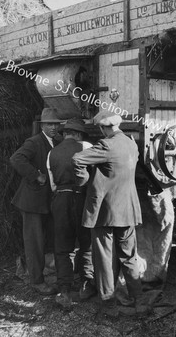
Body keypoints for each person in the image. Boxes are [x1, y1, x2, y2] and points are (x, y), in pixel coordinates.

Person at [71, 109, 147, 317]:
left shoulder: (106, 145)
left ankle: (108, 303)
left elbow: (77, 159)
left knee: (104, 257)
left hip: (105, 212)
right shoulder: (132, 144)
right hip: (128, 209)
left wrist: (84, 182)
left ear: (104, 128)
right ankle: (139, 300)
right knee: (129, 256)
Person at [10, 108, 62, 296]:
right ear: (42, 126)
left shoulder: (56, 142)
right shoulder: (34, 142)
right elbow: (16, 159)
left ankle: (41, 274)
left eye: (56, 124)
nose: (54, 127)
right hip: (31, 202)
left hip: (45, 201)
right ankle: (36, 281)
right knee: (34, 242)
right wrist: (35, 175)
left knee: (44, 240)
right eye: (50, 124)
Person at [46, 118, 96, 310]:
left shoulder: (52, 153)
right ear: (78, 134)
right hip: (82, 199)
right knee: (86, 242)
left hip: (61, 198)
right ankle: (86, 284)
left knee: (62, 246)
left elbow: (52, 184)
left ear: (65, 133)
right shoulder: (86, 146)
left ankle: (64, 288)